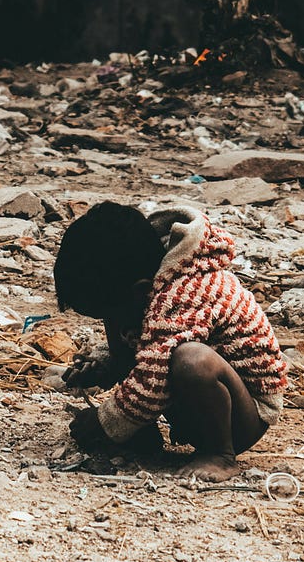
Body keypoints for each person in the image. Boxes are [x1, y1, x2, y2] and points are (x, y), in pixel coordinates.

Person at [54, 201, 288, 482]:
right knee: (136, 333)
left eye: (104, 314)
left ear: (141, 290)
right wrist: (105, 363)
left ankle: (220, 454)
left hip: (244, 413)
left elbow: (155, 374)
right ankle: (140, 430)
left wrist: (105, 420)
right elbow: (149, 343)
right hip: (190, 398)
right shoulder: (151, 283)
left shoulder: (185, 292)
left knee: (191, 360)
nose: (108, 324)